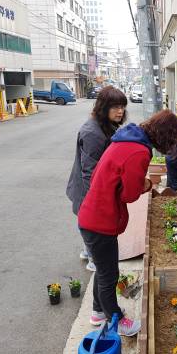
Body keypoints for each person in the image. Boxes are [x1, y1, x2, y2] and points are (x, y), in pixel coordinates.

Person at [78, 109, 177, 336]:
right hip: (100, 221)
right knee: (109, 275)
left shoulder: (126, 138)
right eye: (173, 140)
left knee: (103, 270)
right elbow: (129, 194)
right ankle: (116, 320)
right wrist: (145, 184)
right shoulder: (138, 151)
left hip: (93, 215)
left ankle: (98, 311)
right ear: (166, 136)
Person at [66, 86, 127, 272]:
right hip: (87, 190)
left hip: (88, 189)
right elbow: (89, 171)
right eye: (115, 107)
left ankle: (87, 250)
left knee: (87, 222)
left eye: (122, 106)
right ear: (103, 107)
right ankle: (94, 258)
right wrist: (99, 199)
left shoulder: (104, 125)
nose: (120, 111)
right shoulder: (92, 133)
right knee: (92, 224)